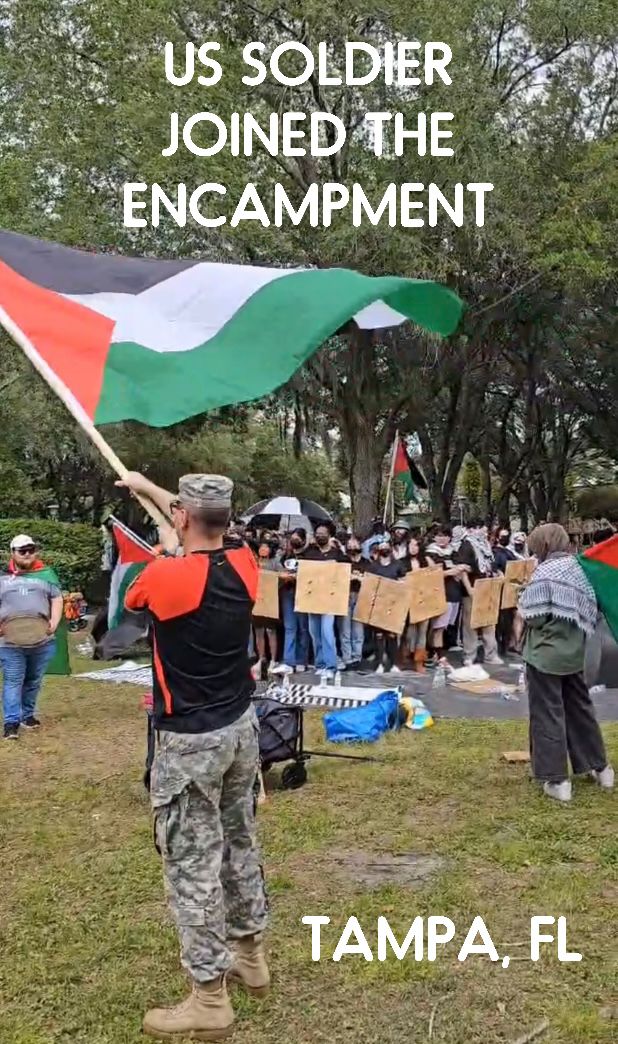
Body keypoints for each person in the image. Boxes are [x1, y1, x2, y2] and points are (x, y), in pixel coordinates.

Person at [117, 471, 269, 1040]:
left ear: (183, 519)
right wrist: (147, 488)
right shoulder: (246, 562)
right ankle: (250, 957)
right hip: (239, 727)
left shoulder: (164, 575)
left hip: (189, 740)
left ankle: (209, 996)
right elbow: (196, 528)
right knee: (239, 841)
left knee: (191, 864)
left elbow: (135, 598)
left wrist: (163, 536)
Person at [519, 523, 614, 803]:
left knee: (548, 714)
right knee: (581, 711)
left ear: (543, 545)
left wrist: (520, 597)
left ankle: (557, 780)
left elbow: (533, 616)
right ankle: (601, 768)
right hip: (577, 653)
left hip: (545, 655)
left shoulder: (544, 573)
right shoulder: (581, 568)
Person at [0, 535, 65, 739]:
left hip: (41, 640)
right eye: (22, 550)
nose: (27, 554)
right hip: (9, 641)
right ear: (13, 553)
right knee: (13, 680)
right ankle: (11, 723)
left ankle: (27, 715)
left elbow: (56, 598)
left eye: (31, 549)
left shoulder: (46, 575)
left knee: (33, 680)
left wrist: (54, 623)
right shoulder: (2, 577)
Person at [298, 522, 346, 676]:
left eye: (323, 533)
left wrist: (339, 550)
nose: (320, 536)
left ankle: (331, 666)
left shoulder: (336, 554)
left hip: (330, 601)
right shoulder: (310, 552)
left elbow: (346, 568)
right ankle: (320, 665)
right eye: (317, 533)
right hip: (312, 600)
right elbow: (300, 565)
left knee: (327, 632)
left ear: (329, 535)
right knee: (315, 633)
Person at [455, 518, 502, 666]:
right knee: (471, 624)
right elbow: (462, 569)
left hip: (488, 587)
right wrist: (469, 589)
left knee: (489, 622)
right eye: (482, 528)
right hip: (473, 588)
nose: (485, 531)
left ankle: (491, 654)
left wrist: (497, 575)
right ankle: (469, 655)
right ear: (473, 529)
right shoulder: (466, 545)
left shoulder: (486, 545)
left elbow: (491, 564)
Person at [424, 526, 467, 664]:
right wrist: (452, 571)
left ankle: (437, 653)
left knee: (445, 626)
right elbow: (432, 573)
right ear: (434, 537)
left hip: (454, 593)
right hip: (439, 593)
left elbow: (463, 568)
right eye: (439, 535)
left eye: (445, 535)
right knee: (438, 627)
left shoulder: (453, 552)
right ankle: (437, 654)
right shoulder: (430, 553)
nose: (442, 538)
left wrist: (457, 570)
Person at [272, 529, 310, 675]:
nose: (294, 541)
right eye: (292, 538)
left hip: (303, 593)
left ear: (303, 540)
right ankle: (289, 661)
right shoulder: (283, 556)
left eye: (297, 538)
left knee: (303, 628)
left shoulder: (308, 555)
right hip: (287, 592)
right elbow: (278, 571)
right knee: (290, 627)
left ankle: (301, 660)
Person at [367, 537, 407, 674]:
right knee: (378, 636)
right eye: (381, 546)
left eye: (386, 546)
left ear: (390, 548)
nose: (384, 548)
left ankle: (394, 663)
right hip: (378, 605)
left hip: (393, 604)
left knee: (392, 635)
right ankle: (379, 664)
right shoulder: (373, 566)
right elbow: (370, 584)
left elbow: (404, 582)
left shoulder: (398, 565)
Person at [251, 538, 283, 679]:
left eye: (266, 547)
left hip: (270, 602)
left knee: (271, 631)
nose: (263, 549)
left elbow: (283, 576)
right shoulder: (254, 561)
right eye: (261, 547)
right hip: (257, 601)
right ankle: (261, 657)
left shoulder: (275, 562)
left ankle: (273, 659)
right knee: (258, 631)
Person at [403, 536, 430, 671]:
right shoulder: (402, 562)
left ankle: (420, 661)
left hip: (423, 599)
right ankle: (407, 656)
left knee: (423, 632)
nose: (414, 548)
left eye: (417, 545)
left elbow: (433, 574)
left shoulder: (424, 561)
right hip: (409, 600)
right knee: (410, 631)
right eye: (412, 545)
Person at [340, 536, 366, 669]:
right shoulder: (342, 561)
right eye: (349, 544)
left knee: (358, 630)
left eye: (354, 544)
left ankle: (357, 657)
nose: (352, 547)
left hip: (361, 596)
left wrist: (361, 578)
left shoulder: (366, 563)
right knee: (345, 629)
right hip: (345, 595)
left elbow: (372, 580)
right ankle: (347, 658)